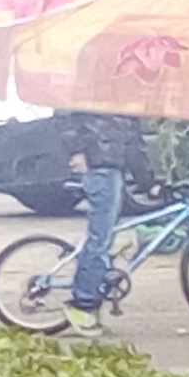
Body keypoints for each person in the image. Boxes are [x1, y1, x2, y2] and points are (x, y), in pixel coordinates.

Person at [67, 105, 152, 320]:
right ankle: (83, 305)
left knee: (107, 236)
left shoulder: (127, 103)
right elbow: (67, 115)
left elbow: (134, 147)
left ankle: (97, 283)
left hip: (112, 171)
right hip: (99, 169)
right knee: (100, 239)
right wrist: (77, 151)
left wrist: (149, 184)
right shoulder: (100, 92)